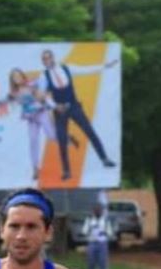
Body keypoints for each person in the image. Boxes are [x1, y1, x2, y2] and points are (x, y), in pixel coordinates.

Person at [38, 49, 117, 180]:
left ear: (53, 58)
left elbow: (86, 70)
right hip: (59, 110)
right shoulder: (43, 76)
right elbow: (43, 95)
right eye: (44, 59)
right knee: (62, 140)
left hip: (73, 105)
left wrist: (105, 66)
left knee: (90, 131)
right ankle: (66, 171)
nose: (46, 61)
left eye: (48, 58)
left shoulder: (66, 68)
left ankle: (104, 158)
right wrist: (55, 106)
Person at [6, 68, 56, 183]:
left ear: (22, 76)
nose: (17, 78)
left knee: (52, 136)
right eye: (14, 77)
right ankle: (35, 169)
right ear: (12, 80)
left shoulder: (31, 85)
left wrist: (52, 106)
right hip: (30, 118)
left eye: (18, 76)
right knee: (33, 141)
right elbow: (10, 104)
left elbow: (43, 95)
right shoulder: (14, 92)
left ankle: (66, 138)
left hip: (41, 113)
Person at [80, 201, 116, 269]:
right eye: (96, 210)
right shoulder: (89, 220)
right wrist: (91, 231)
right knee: (90, 264)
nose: (98, 211)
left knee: (103, 264)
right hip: (92, 243)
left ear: (102, 210)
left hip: (102, 243)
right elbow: (84, 231)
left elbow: (110, 233)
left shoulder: (106, 220)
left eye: (99, 210)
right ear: (93, 211)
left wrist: (103, 232)